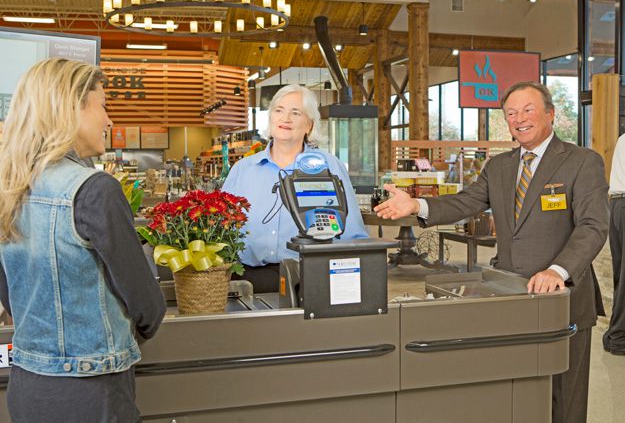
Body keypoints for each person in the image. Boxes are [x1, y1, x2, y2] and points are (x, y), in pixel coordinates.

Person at [374, 81, 608, 423]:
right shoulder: (499, 167)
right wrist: (416, 203)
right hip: (510, 296)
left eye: (528, 110)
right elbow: (465, 202)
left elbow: (592, 226)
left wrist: (558, 270)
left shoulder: (582, 162)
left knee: (564, 399)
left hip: (564, 299)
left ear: (550, 114)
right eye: (511, 113)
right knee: (516, 393)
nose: (519, 119)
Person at [0, 58, 166, 422]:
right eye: (103, 104)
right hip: (93, 389)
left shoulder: (10, 185)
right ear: (71, 108)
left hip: (27, 383)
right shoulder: (93, 190)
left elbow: (10, 290)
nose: (109, 120)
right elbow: (145, 303)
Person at [222, 84, 368, 292]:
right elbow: (220, 230)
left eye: (296, 112)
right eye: (279, 110)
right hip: (246, 280)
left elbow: (353, 234)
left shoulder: (328, 166)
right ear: (271, 118)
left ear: (309, 125)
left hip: (310, 280)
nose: (285, 118)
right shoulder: (243, 169)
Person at [604, 133, 625, 355]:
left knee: (621, 274)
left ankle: (616, 336)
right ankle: (619, 338)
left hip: (618, 206)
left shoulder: (622, 139)